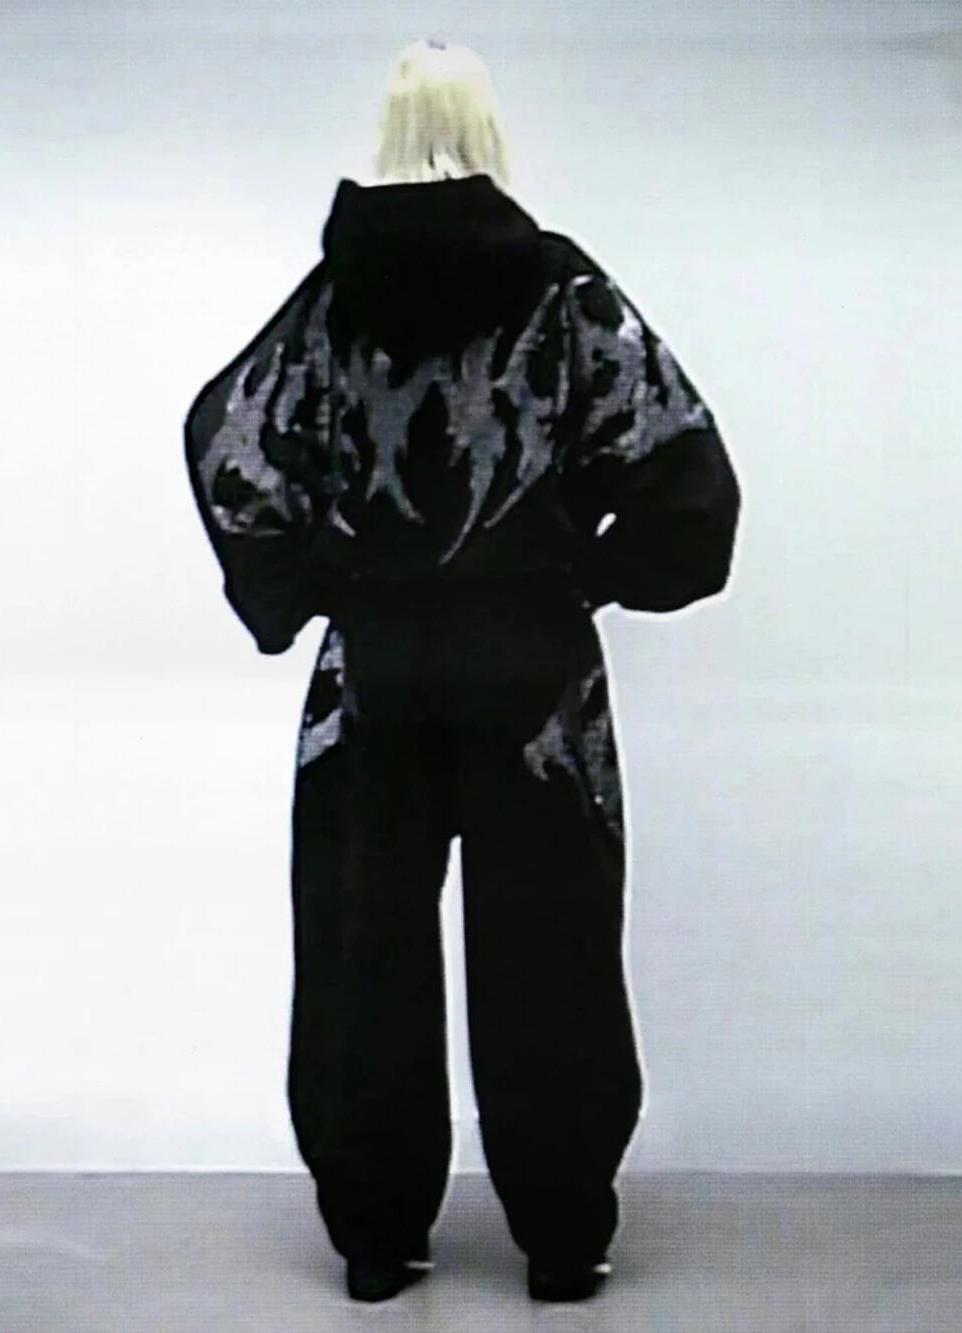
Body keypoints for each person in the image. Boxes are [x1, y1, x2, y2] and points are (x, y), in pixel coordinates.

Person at [183, 37, 742, 1305]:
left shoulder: (335, 298)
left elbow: (228, 436)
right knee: (553, 944)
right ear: (489, 131)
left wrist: (316, 576)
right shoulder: (563, 291)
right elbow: (686, 469)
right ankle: (562, 1236)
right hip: (534, 677)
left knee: (360, 949)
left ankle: (377, 1236)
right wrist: (593, 570)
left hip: (374, 676)